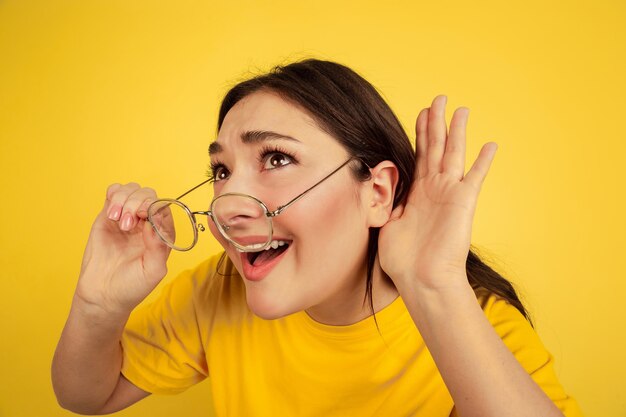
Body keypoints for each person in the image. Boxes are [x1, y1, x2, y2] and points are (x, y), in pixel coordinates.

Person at [52, 59, 582, 416]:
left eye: (276, 159)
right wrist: (97, 305)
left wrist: (434, 287)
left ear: (377, 194)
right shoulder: (215, 292)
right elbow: (86, 396)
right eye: (220, 171)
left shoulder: (477, 321)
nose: (230, 207)